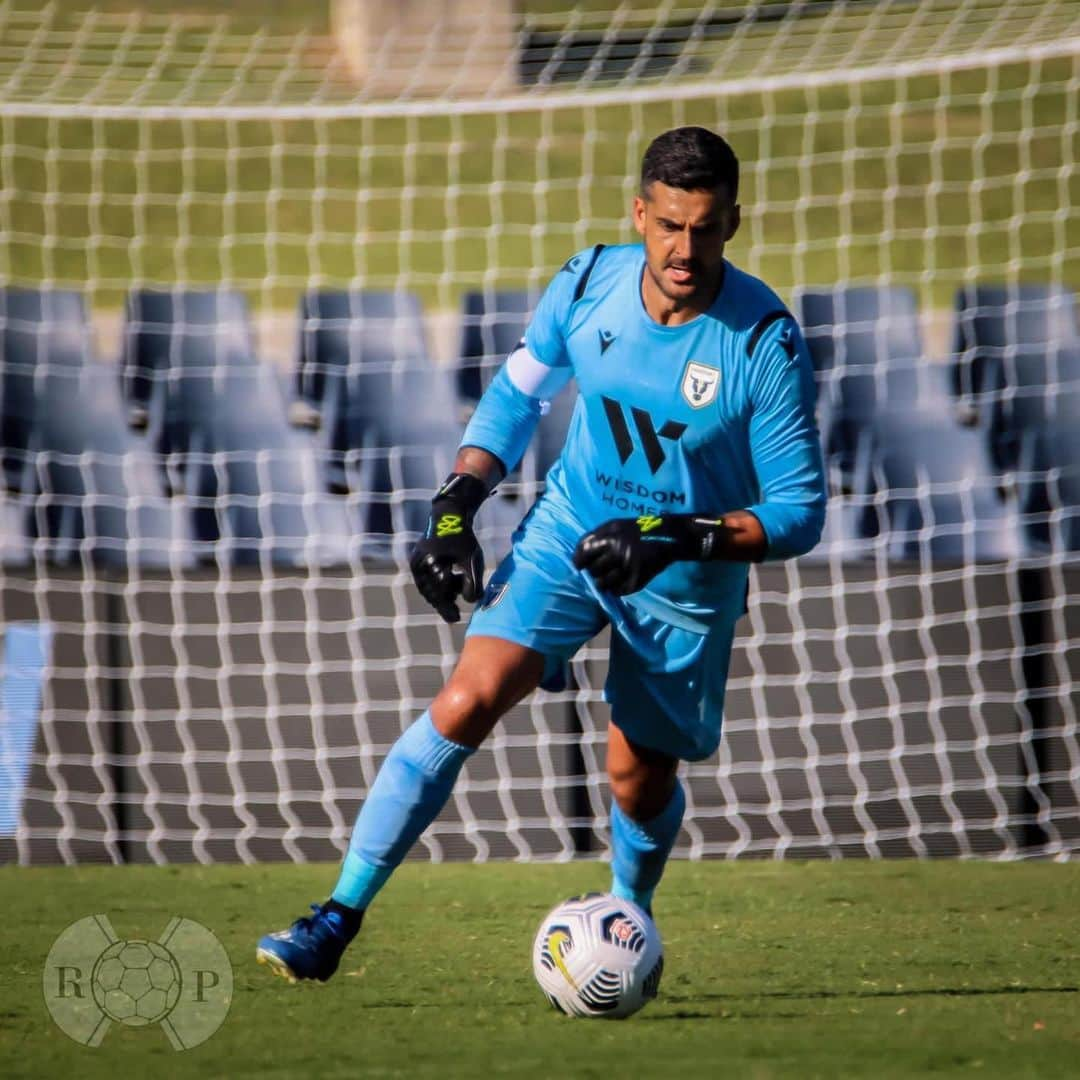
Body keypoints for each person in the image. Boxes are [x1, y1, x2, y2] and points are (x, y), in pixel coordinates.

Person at [257, 126, 826, 983]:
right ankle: (335, 919)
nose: (684, 248)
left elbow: (798, 513)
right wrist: (456, 505)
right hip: (571, 532)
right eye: (669, 225)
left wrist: (674, 535)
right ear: (641, 213)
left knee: (635, 779)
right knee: (465, 699)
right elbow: (515, 398)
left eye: (704, 228)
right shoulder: (590, 281)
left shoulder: (761, 343)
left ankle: (628, 915)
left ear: (733, 224)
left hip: (684, 576)